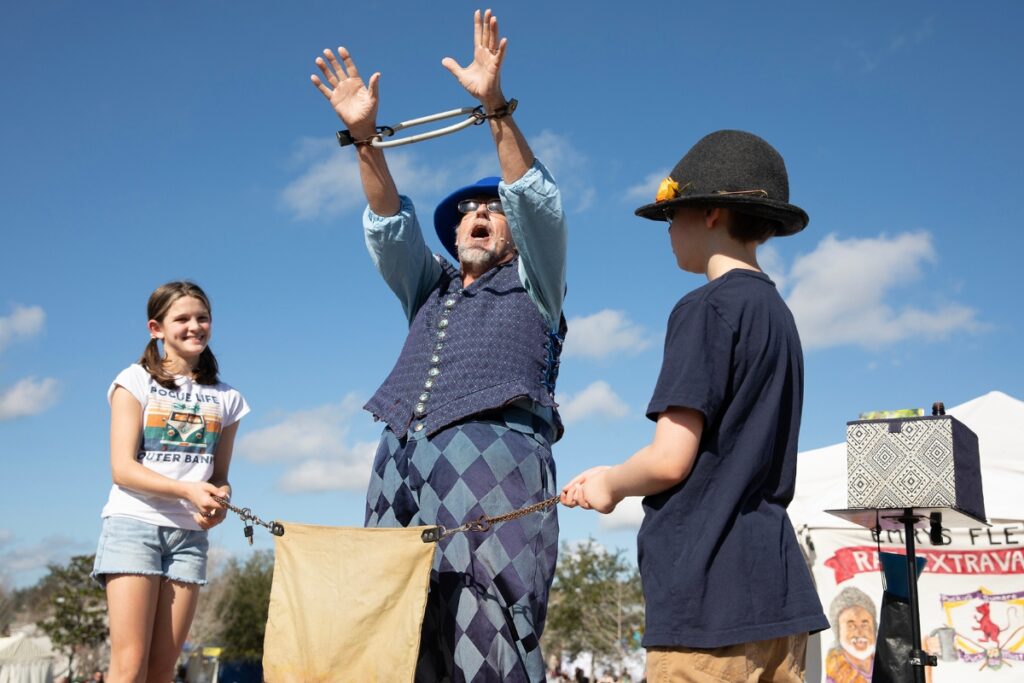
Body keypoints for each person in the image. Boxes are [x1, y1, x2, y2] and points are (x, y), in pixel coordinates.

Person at [310, 9, 567, 682]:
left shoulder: (537, 282)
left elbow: (535, 202)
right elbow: (390, 223)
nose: (477, 216)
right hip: (397, 461)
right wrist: (364, 138)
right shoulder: (428, 286)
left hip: (495, 460)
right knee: (390, 629)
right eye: (465, 215)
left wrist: (494, 108)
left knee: (490, 628)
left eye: (491, 210)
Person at [561, 130, 829, 681]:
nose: (668, 231)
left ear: (710, 214)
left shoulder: (705, 308)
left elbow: (669, 459)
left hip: (709, 596)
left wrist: (608, 484)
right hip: (778, 596)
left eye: (672, 215)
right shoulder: (779, 316)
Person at [91, 281, 249, 683]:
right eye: (182, 319)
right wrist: (186, 490)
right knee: (129, 668)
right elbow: (122, 469)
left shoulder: (227, 398)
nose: (195, 326)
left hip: (189, 538)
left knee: (163, 670)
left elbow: (219, 477)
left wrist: (220, 498)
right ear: (156, 329)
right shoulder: (134, 381)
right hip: (133, 526)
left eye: (202, 318)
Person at [825, 587, 876, 683]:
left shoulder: (887, 666)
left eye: (864, 624)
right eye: (851, 626)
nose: (859, 632)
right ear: (838, 631)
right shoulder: (834, 676)